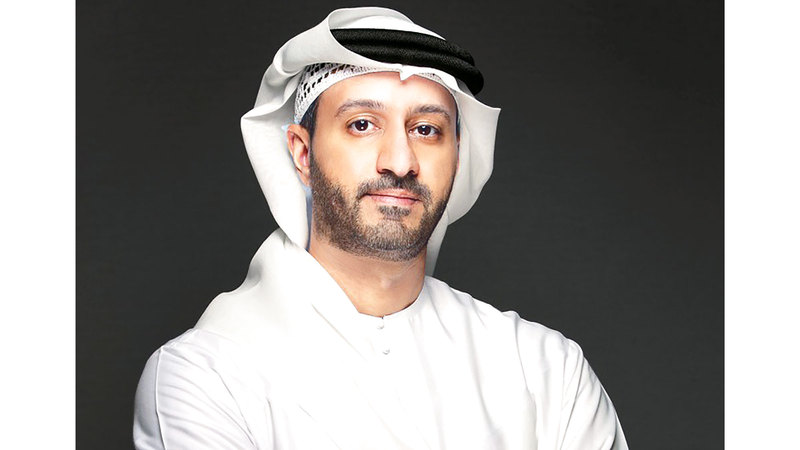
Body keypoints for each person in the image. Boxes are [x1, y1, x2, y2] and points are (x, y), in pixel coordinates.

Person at [133, 7, 628, 450]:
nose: (400, 161)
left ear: (457, 157)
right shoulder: (208, 375)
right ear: (302, 154)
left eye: (426, 129)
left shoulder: (545, 370)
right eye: (363, 124)